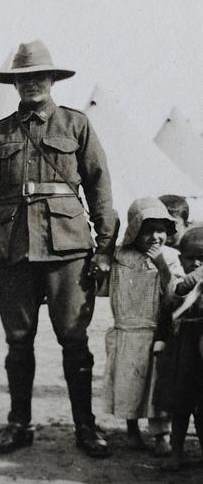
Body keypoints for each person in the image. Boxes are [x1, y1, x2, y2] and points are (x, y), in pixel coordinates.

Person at [0, 40, 119, 457]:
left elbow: (100, 189)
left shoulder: (76, 125)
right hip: (13, 249)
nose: (31, 83)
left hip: (68, 250)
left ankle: (86, 427)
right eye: (23, 77)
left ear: (52, 79)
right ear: (14, 83)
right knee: (18, 342)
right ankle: (19, 425)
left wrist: (105, 250)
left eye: (38, 75)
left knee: (74, 340)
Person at [102, 198, 181, 456]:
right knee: (129, 385)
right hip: (126, 332)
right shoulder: (119, 257)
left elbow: (175, 296)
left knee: (158, 388)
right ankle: (132, 429)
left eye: (160, 230)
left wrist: (160, 266)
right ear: (134, 230)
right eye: (148, 230)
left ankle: (161, 434)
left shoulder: (170, 258)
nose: (155, 237)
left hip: (156, 332)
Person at [154, 226, 203, 471]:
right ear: (180, 258)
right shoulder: (178, 285)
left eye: (202, 258)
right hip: (182, 351)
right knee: (180, 405)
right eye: (190, 257)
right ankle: (177, 453)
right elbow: (167, 312)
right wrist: (159, 342)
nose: (195, 263)